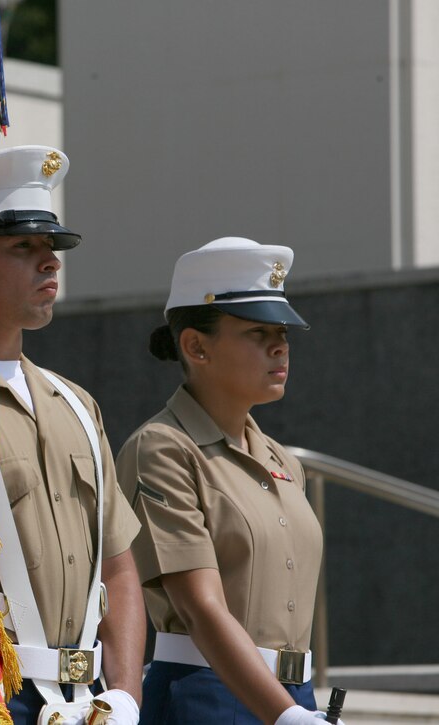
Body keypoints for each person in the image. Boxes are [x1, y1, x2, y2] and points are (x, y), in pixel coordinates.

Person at [115, 238, 339, 724]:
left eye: (282, 331)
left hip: (295, 695)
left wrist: (294, 710)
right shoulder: (162, 448)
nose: (280, 345)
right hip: (207, 696)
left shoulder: (283, 459)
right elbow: (200, 609)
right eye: (257, 332)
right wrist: (285, 716)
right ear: (196, 345)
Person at [0, 146, 145, 725]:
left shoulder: (76, 403)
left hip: (88, 700)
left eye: (53, 248)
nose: (50, 262)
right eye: (23, 246)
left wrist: (123, 694)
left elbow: (119, 568)